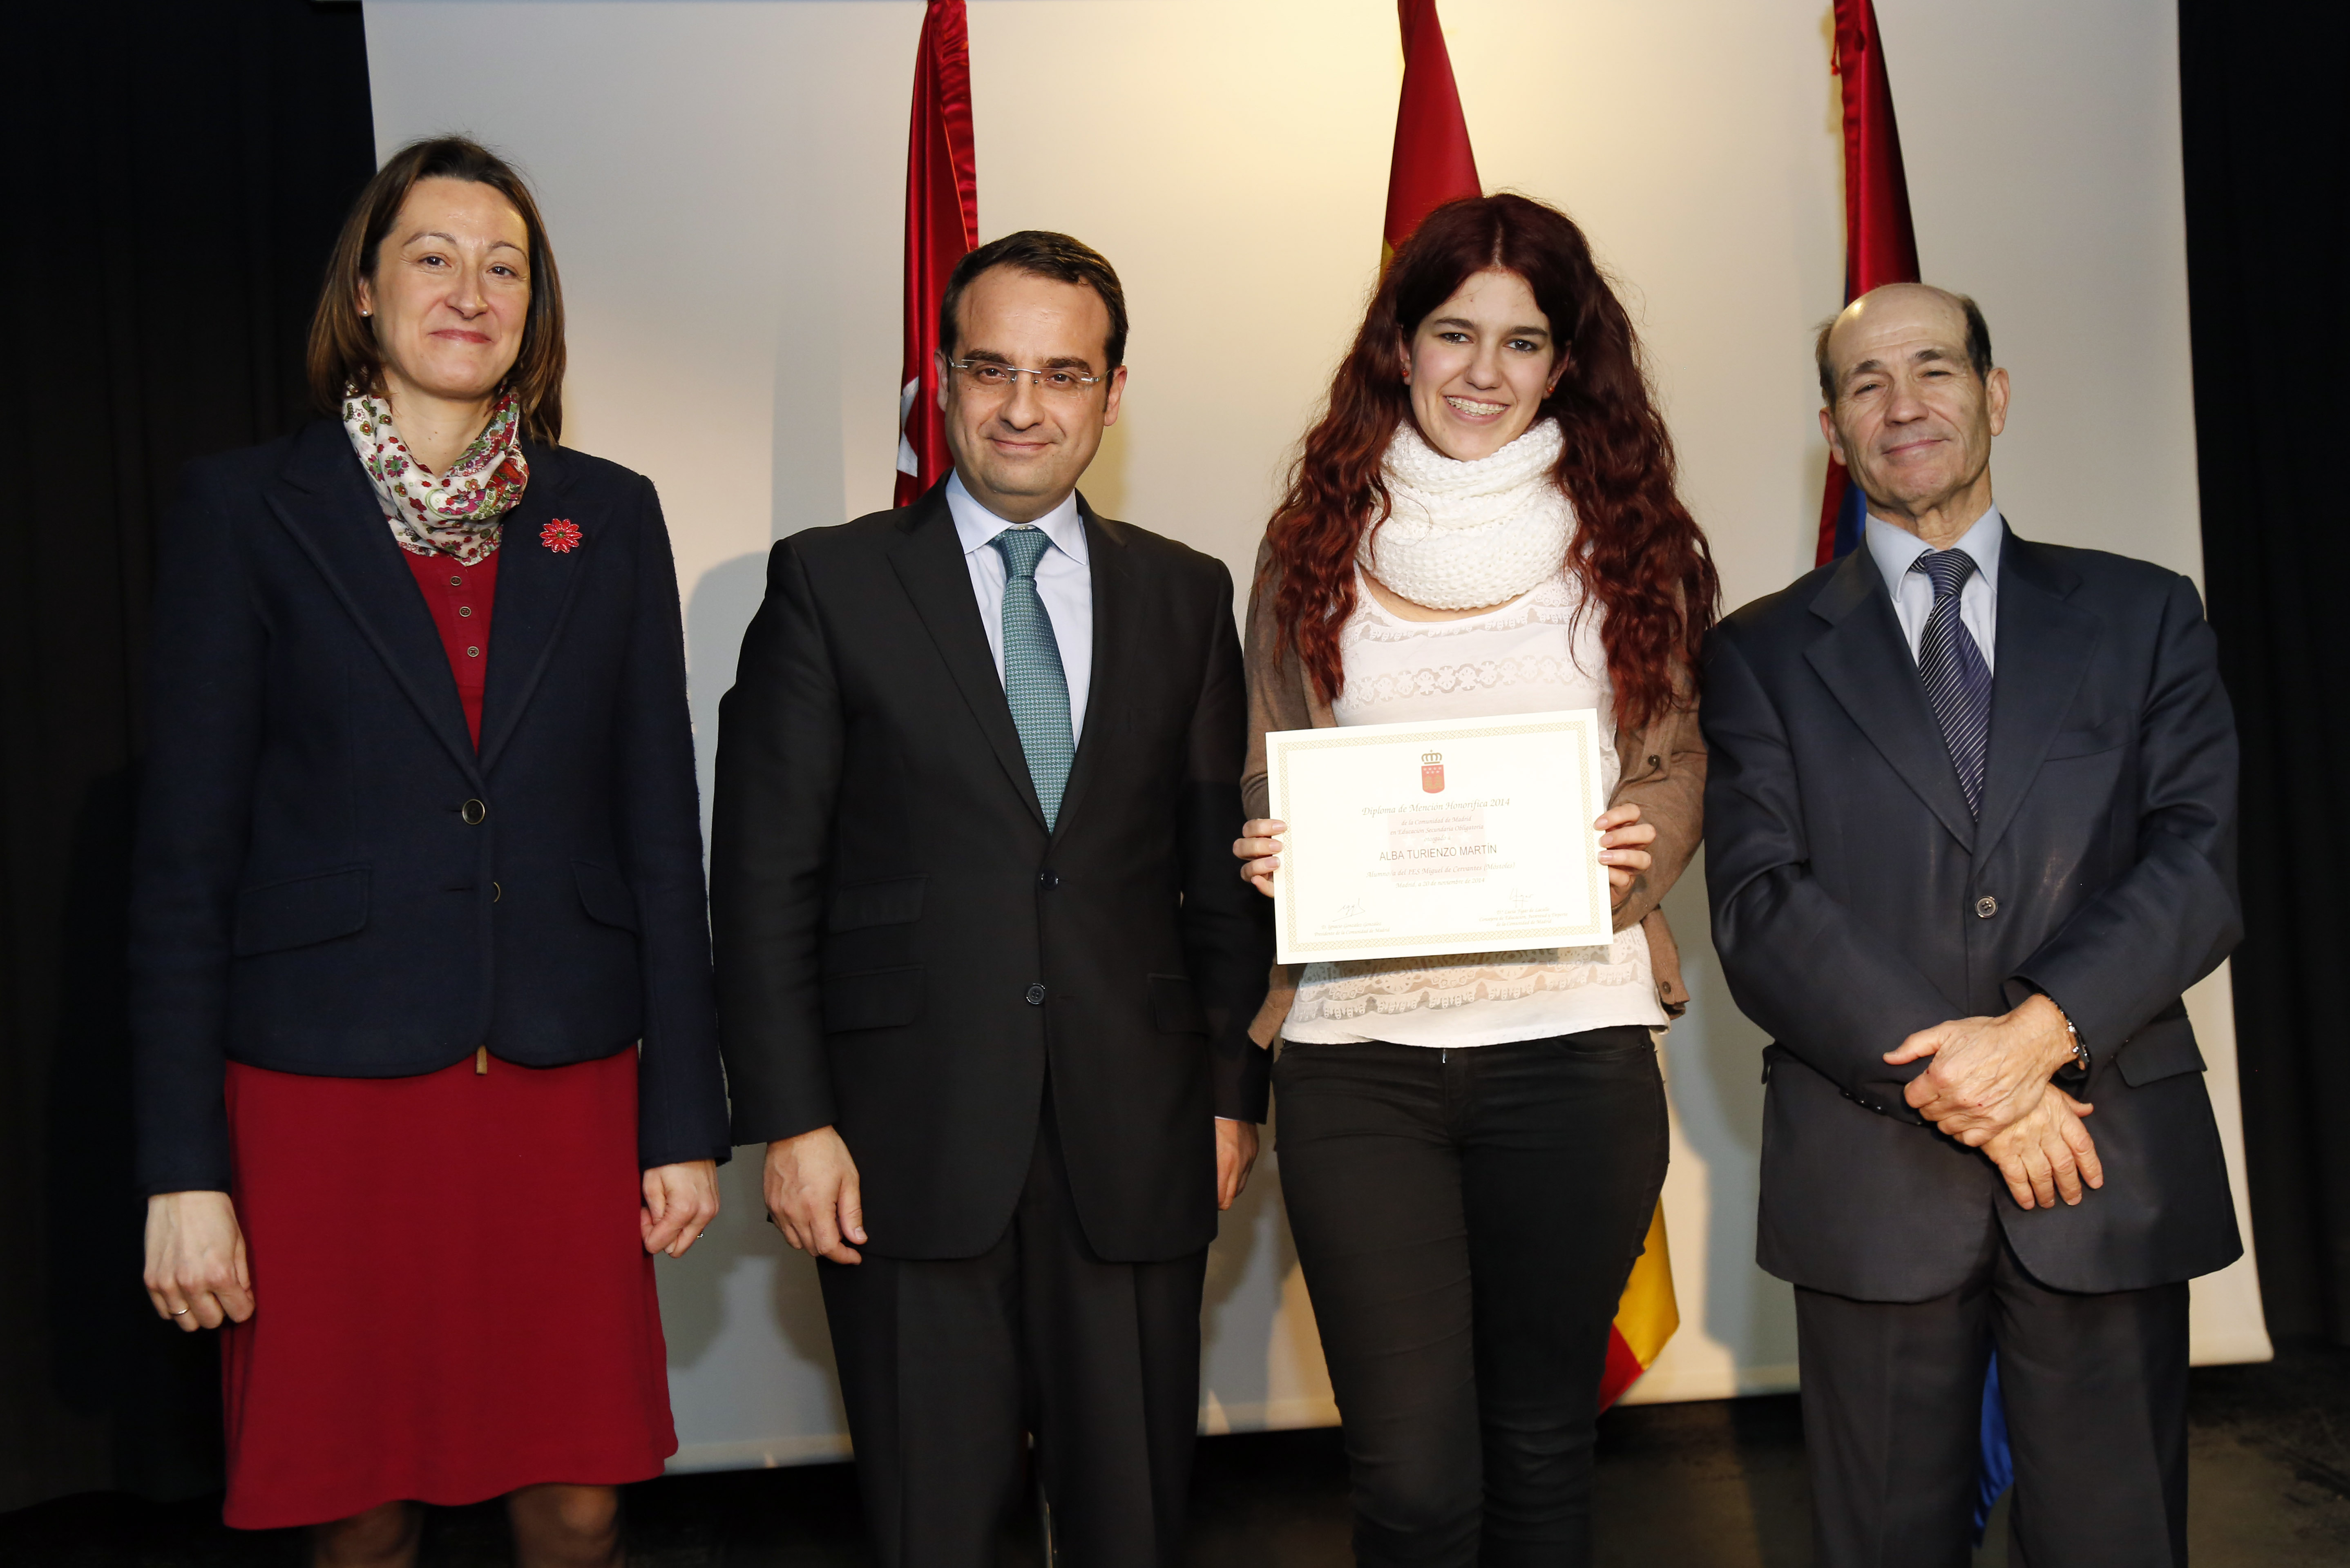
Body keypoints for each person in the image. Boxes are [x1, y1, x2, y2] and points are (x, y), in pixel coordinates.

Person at [132, 136, 730, 1568]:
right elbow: (183, 867)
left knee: (580, 1499)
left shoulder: (611, 514)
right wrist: (182, 1170)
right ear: (365, 289)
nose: (472, 290)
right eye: (434, 257)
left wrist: (683, 1120)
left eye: (505, 266)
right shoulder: (245, 511)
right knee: (356, 1510)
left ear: (535, 307)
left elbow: (662, 834)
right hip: (323, 1095)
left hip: (563, 1086)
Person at [710, 229, 1271, 1568]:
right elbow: (764, 875)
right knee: (936, 1530)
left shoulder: (1186, 593)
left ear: (1112, 394)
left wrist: (1230, 1094)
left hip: (1139, 1137)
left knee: (1134, 1524)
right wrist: (793, 1120)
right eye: (991, 369)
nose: (1025, 406)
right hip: (900, 1145)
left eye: (1063, 375)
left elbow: (1220, 874)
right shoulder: (830, 583)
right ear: (942, 382)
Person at [1703, 282, 2241, 1566]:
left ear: (1994, 396)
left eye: (1935, 369)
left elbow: (2200, 859)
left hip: (2100, 1159)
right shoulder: (1757, 653)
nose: (1905, 404)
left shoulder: (2145, 613)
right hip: (1874, 1183)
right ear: (1833, 430)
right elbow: (1761, 903)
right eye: (1867, 382)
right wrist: (1984, 1086)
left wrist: (2039, 1035)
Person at [1232, 194, 1718, 1567]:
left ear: (1565, 363)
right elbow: (1269, 756)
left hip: (1573, 1046)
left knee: (1542, 1453)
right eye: (1454, 333)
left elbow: (1675, 760)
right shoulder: (1310, 539)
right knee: (1408, 1480)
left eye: (1522, 341)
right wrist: (1276, 839)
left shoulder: (1633, 539)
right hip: (1358, 1060)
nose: (1483, 372)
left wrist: (1637, 848)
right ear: (1401, 344)